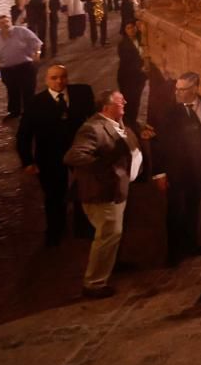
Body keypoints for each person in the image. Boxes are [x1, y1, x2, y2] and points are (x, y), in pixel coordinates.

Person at [63, 89, 149, 299]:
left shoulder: (118, 122)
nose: (125, 102)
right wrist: (105, 169)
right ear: (107, 107)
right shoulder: (92, 128)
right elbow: (73, 156)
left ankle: (112, 265)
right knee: (108, 235)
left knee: (113, 234)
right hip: (103, 193)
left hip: (118, 190)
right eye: (120, 101)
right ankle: (94, 284)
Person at [150, 71, 201, 265]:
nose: (177, 93)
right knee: (175, 210)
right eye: (176, 89)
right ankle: (173, 253)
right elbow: (158, 144)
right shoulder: (169, 113)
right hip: (176, 170)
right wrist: (159, 173)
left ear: (195, 88)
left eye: (183, 90)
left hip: (199, 169)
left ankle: (191, 244)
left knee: (193, 207)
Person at [15, 64, 96, 246]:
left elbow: (93, 120)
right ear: (46, 80)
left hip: (79, 153)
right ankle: (55, 229)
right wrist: (27, 160)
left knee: (83, 189)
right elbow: (24, 134)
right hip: (50, 157)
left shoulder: (82, 92)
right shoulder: (35, 103)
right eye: (54, 78)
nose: (59, 81)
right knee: (54, 195)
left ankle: (84, 227)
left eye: (63, 76)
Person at [0, 13, 41, 119]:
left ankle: (30, 113)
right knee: (12, 91)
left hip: (25, 67)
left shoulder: (21, 31)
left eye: (7, 21)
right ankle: (14, 111)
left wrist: (37, 54)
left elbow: (37, 42)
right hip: (7, 70)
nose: (6, 24)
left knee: (28, 90)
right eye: (2, 23)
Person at [116, 20, 148, 123]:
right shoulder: (123, 45)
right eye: (128, 28)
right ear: (125, 30)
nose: (131, 30)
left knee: (137, 99)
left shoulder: (141, 38)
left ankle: (132, 121)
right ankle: (128, 122)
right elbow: (127, 62)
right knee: (129, 101)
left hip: (139, 76)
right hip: (128, 77)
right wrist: (140, 68)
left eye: (133, 27)